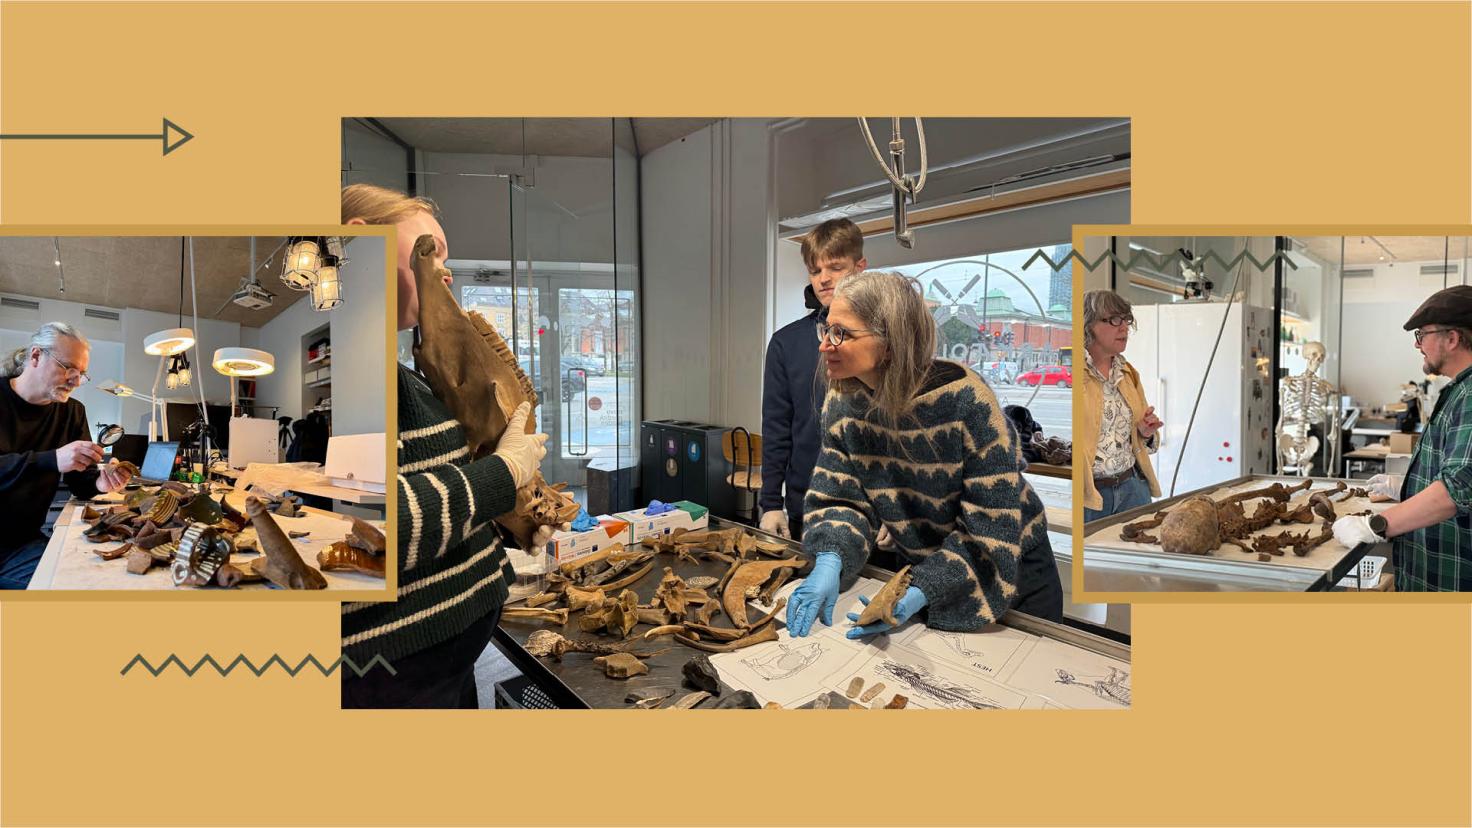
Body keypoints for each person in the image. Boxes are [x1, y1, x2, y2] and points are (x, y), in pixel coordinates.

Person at [340, 183, 566, 706]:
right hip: (392, 683)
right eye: (432, 250)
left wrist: (506, 520)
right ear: (362, 241)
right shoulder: (356, 384)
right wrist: (502, 475)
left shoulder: (405, 379)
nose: (445, 270)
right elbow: (375, 527)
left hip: (447, 670)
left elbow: (435, 499)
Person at [786, 271, 1063, 639]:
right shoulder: (843, 403)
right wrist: (831, 556)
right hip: (928, 566)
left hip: (1007, 566)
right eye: (827, 329)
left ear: (889, 342)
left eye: (841, 333)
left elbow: (990, 529)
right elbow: (841, 495)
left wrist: (923, 589)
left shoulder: (967, 402)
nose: (825, 345)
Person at [1333, 285, 1472, 591]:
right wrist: (1408, 487)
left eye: (1423, 334)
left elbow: (1459, 489)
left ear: (1452, 339)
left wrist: (1376, 525)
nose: (1417, 344)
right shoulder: (1459, 390)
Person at [0, 322, 133, 589]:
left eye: (81, 373)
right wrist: (52, 459)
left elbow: (80, 483)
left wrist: (100, 482)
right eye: (68, 368)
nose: (76, 381)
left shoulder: (73, 412)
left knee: (100, 579)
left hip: (25, 542)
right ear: (36, 356)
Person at [759, 218, 866, 541]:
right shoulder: (786, 343)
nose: (824, 279)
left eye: (835, 267)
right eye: (815, 270)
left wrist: (898, 509)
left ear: (859, 267)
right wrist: (770, 503)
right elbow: (777, 427)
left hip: (871, 511)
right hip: (806, 505)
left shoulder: (883, 341)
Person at [1078, 289, 1164, 523]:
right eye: (1115, 319)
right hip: (1089, 496)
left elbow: (1144, 441)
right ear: (1088, 324)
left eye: (1127, 319)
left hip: (1132, 488)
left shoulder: (1127, 373)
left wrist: (1145, 432)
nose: (1124, 327)